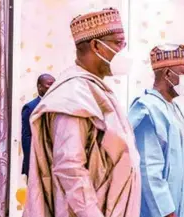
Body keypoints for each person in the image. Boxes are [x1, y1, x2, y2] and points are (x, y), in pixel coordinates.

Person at [24, 8, 141, 217]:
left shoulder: (93, 89)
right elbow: (70, 167)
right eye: (118, 43)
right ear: (97, 46)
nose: (124, 50)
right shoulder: (72, 95)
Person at [129, 44, 184, 217]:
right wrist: (166, 211)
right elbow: (148, 170)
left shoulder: (176, 109)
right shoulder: (148, 109)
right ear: (167, 74)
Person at [21, 73, 55, 177]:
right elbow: (27, 137)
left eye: (55, 84)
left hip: (54, 162)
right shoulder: (30, 107)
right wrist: (32, 162)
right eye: (49, 84)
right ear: (40, 87)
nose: (53, 87)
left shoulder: (58, 106)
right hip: (36, 161)